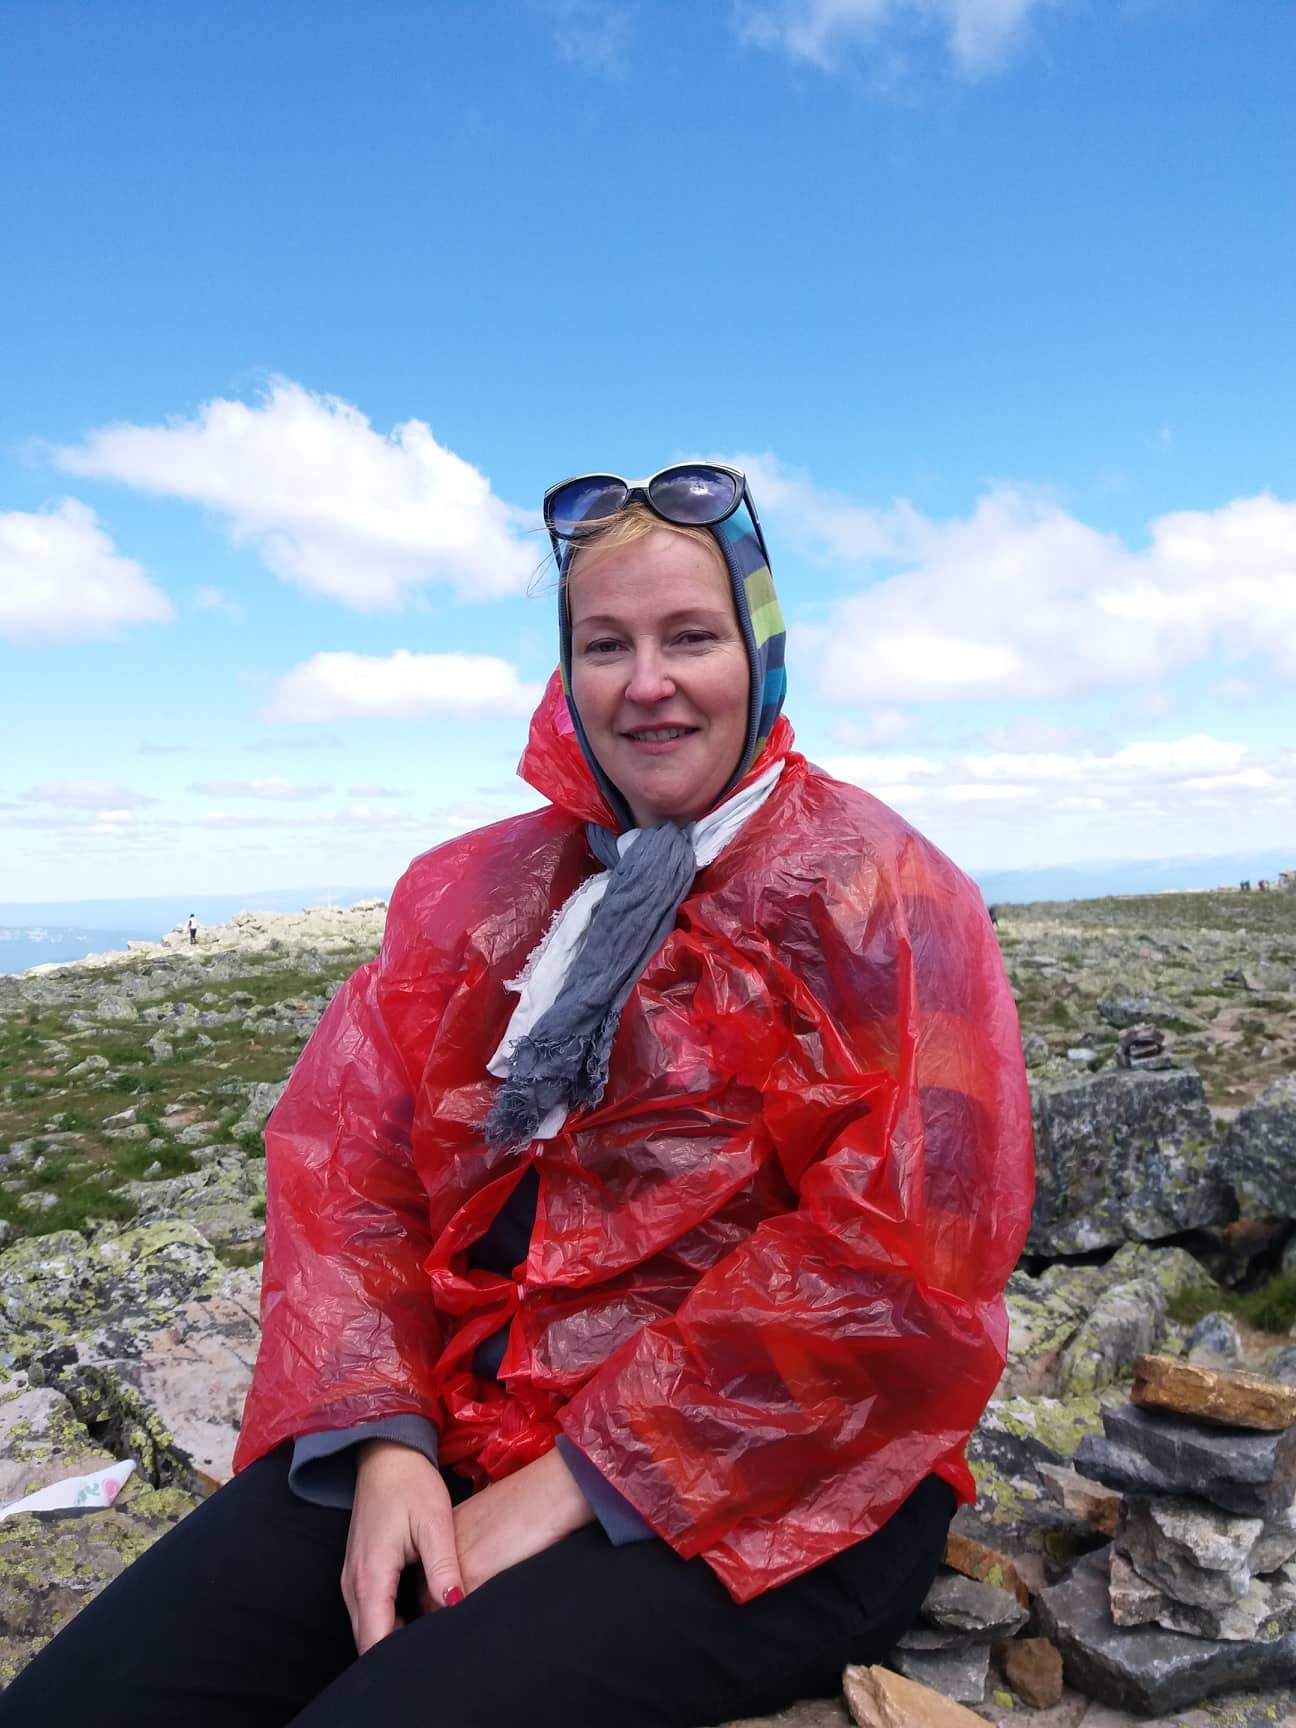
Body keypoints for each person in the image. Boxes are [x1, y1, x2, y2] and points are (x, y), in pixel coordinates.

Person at [0, 463, 1033, 1728]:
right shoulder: (485, 892)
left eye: (690, 637)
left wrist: (579, 1481)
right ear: (566, 668)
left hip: (790, 1478)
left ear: (761, 652)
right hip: (470, 1416)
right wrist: (383, 1439)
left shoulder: (883, 894)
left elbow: (900, 1270)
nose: (646, 681)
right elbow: (357, 1172)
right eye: (606, 644)